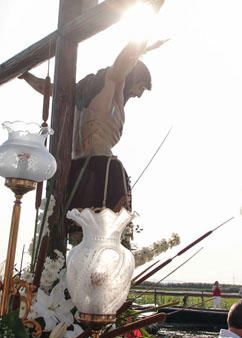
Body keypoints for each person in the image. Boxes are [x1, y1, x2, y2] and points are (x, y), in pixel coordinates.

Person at [20, 37, 166, 216]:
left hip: (72, 169)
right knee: (99, 234)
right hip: (101, 171)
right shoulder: (111, 83)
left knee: (76, 232)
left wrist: (26, 75)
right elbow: (122, 63)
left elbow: (49, 89)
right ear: (130, 76)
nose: (138, 95)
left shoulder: (74, 94)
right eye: (141, 87)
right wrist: (143, 30)